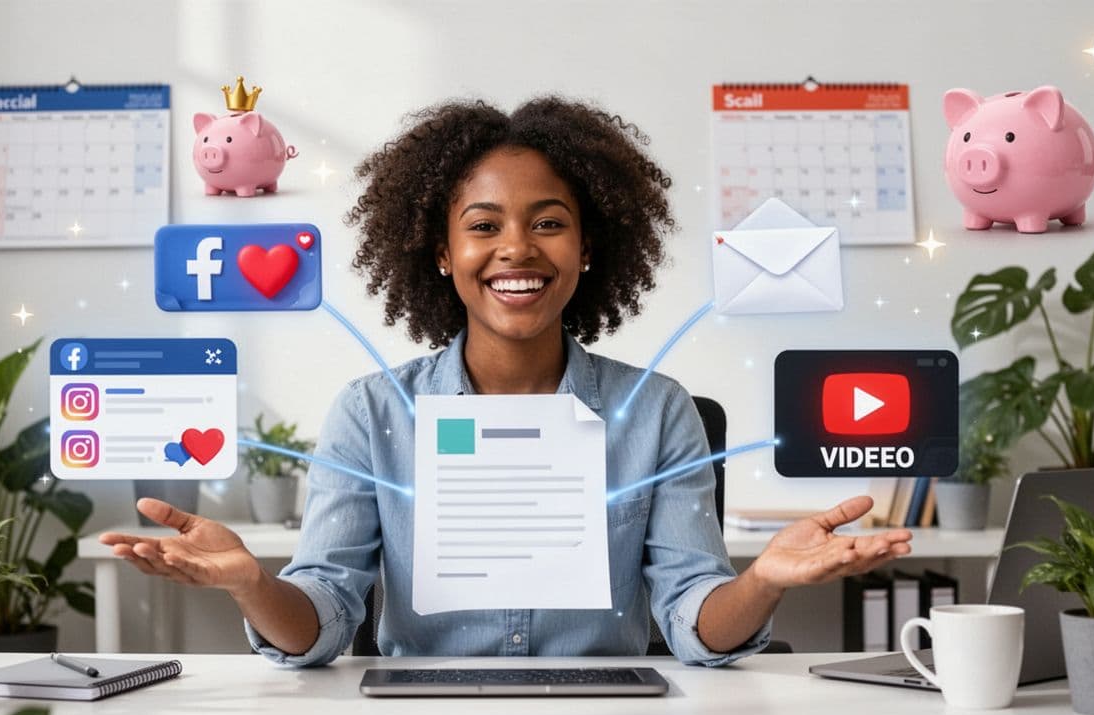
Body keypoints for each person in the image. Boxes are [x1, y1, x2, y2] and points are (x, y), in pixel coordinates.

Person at [100, 97, 912, 667]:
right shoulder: (375, 412)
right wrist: (251, 584)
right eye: (483, 226)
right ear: (443, 252)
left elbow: (696, 621)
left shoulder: (658, 412)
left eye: (549, 223)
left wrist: (763, 580)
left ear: (589, 248)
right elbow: (321, 620)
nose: (517, 248)